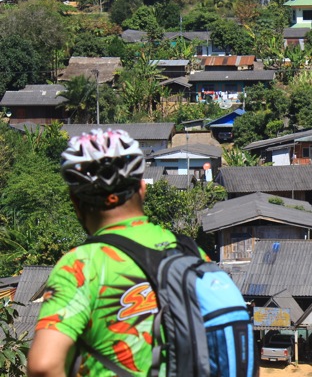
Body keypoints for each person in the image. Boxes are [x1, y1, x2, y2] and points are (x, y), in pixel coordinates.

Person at [28, 129, 197, 377]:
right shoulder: (190, 251)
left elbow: (44, 365)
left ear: (75, 202)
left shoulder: (81, 266)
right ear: (142, 189)